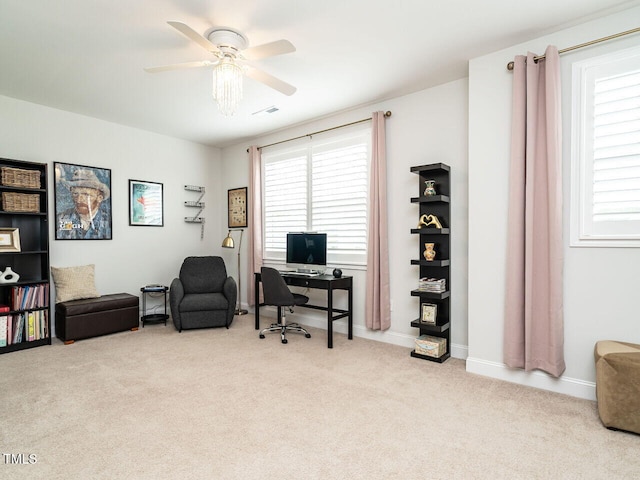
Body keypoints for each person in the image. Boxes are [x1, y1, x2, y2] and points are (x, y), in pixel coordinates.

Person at [56, 169, 111, 239]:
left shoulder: (108, 221)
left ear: (99, 198)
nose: (78, 200)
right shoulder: (61, 218)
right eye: (75, 194)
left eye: (86, 195)